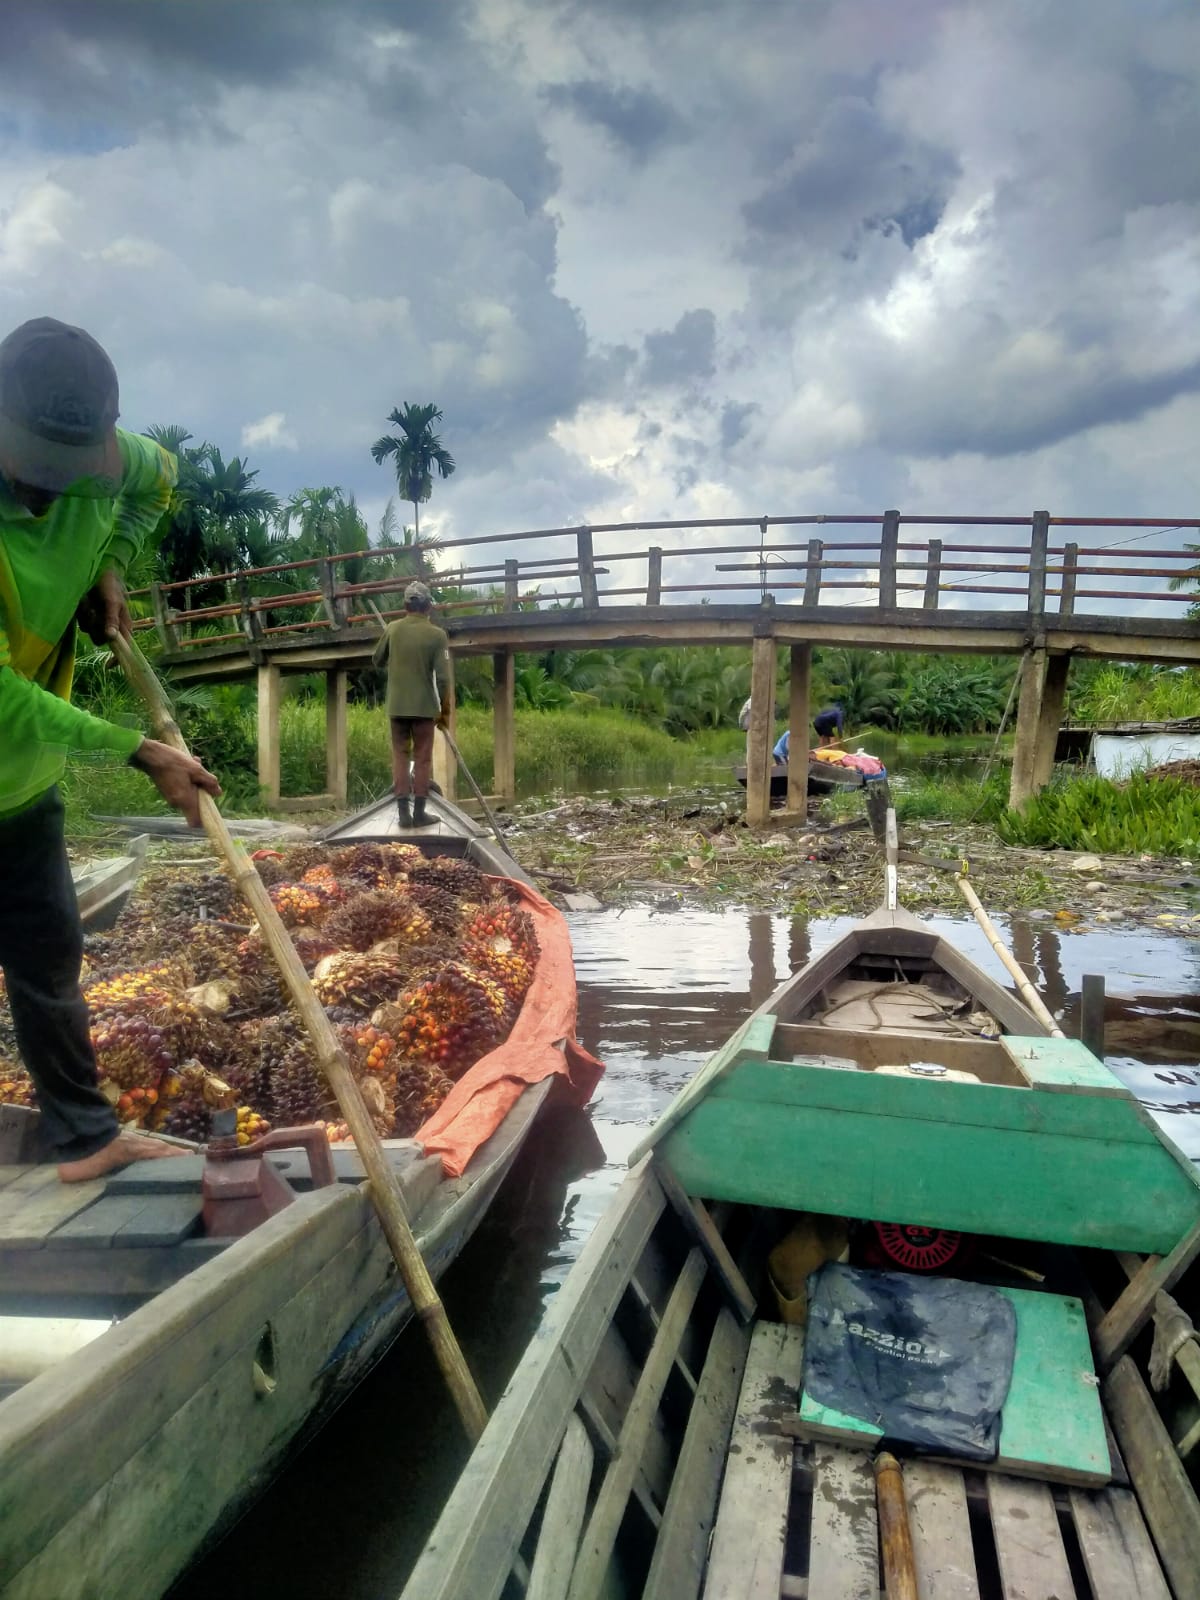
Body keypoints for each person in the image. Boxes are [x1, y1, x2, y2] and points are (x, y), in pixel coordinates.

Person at [0, 316, 222, 1182]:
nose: (54, 495)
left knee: (50, 956)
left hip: (23, 783)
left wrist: (112, 563)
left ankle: (84, 1141)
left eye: (70, 475)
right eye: (34, 473)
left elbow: (159, 483)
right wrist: (140, 751)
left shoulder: (117, 459)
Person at [372, 580, 450, 828]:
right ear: (428, 607)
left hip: (397, 707)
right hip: (425, 708)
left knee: (400, 757)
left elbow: (377, 660)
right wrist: (445, 712)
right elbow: (445, 676)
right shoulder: (437, 635)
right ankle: (419, 813)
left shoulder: (393, 629)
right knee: (423, 759)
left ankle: (403, 814)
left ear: (405, 605)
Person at [773, 704, 845, 763]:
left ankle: (823, 752)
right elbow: (789, 747)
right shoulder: (791, 733)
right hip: (779, 754)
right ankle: (832, 751)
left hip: (818, 722)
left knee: (823, 736)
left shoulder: (799, 735)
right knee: (831, 736)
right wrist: (841, 737)